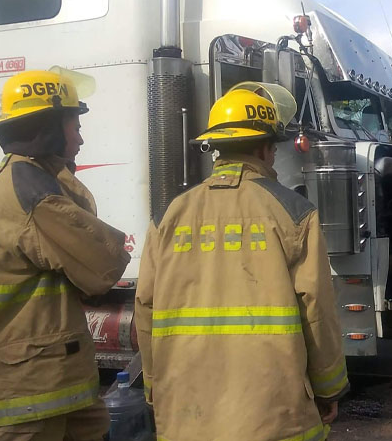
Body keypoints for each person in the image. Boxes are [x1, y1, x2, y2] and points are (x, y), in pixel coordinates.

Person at [135, 87, 349, 441]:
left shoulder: (169, 215)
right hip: (273, 416)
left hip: (187, 413)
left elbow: (145, 308)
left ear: (217, 147)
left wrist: (155, 388)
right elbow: (317, 310)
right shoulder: (294, 212)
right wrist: (329, 389)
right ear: (266, 148)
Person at [0, 70, 130, 440]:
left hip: (57, 385)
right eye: (74, 125)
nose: (81, 138)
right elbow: (103, 264)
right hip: (31, 394)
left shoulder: (26, 180)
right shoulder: (36, 193)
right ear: (50, 127)